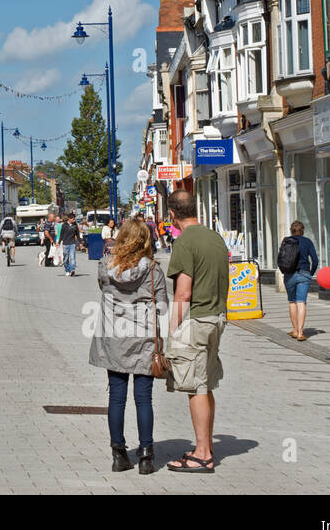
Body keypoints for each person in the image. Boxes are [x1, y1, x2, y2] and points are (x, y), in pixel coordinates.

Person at [88, 218, 168, 475]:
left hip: (114, 337)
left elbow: (103, 288)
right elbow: (163, 306)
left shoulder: (105, 266)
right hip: (143, 338)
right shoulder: (153, 270)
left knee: (116, 397)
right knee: (144, 398)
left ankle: (119, 454)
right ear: (145, 241)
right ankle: (146, 456)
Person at [163, 189, 229, 474]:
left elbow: (183, 293)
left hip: (198, 320)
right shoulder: (214, 237)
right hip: (217, 317)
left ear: (172, 215)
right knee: (206, 383)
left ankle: (202, 454)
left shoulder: (184, 242)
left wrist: (171, 331)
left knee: (195, 387)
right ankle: (206, 445)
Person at [282, 220, 318, 341]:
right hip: (304, 274)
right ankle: (301, 333)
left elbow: (282, 258)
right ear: (303, 230)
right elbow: (315, 260)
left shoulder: (286, 241)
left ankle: (295, 330)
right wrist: (310, 273)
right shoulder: (307, 242)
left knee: (292, 302)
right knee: (301, 302)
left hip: (289, 274)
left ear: (291, 230)